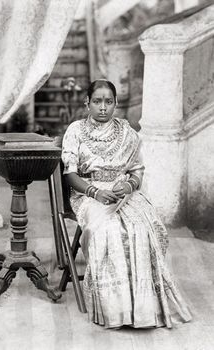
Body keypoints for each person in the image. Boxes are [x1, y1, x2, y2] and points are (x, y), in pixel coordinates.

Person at [61, 79, 192, 329]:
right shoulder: (76, 130)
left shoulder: (127, 132)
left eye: (108, 102)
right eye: (97, 101)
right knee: (108, 230)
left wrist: (129, 186)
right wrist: (94, 192)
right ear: (87, 102)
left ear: (116, 104)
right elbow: (70, 174)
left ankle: (143, 308)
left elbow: (137, 171)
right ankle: (116, 309)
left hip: (124, 194)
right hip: (88, 194)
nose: (103, 107)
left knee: (146, 227)